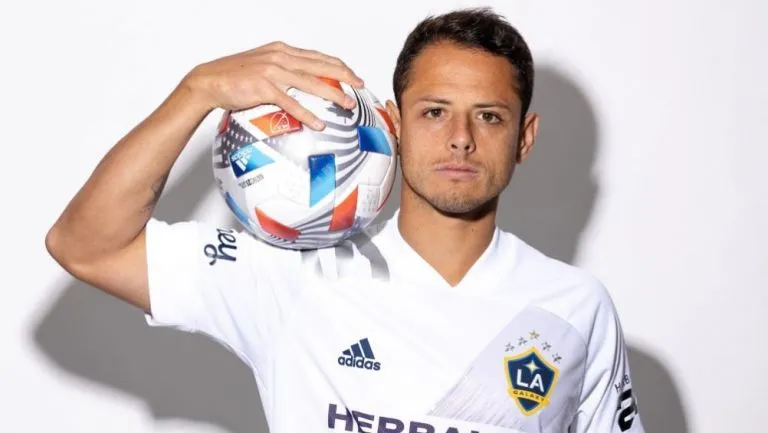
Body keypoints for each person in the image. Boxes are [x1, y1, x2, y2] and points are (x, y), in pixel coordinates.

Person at [45, 7, 644, 433]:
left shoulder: (575, 308)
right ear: (393, 123)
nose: (460, 139)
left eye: (488, 117)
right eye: (435, 112)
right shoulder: (294, 273)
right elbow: (86, 245)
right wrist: (198, 92)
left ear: (525, 138)